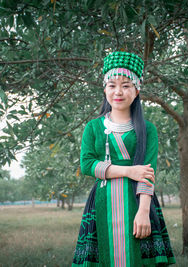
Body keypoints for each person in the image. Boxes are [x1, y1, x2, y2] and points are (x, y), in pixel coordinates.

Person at [72, 51, 176, 266]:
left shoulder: (148, 129)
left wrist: (144, 212)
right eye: (112, 85)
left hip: (137, 202)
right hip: (101, 202)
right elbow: (86, 164)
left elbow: (148, 173)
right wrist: (129, 171)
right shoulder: (93, 127)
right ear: (104, 89)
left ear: (137, 90)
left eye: (126, 85)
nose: (118, 91)